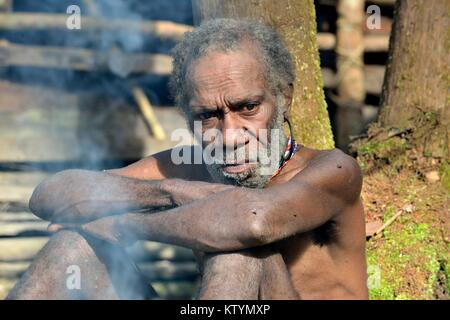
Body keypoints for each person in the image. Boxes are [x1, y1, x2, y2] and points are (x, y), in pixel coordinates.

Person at [7, 19, 367, 300]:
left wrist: (122, 224)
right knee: (72, 246)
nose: (229, 135)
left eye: (248, 108)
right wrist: (172, 191)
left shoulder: (333, 170)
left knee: (238, 251)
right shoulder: (185, 168)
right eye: (208, 116)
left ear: (284, 98)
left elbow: (253, 223)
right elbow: (48, 196)